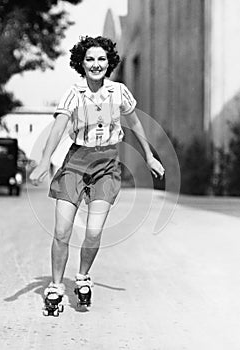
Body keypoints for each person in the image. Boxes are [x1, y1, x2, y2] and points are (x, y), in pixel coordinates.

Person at [30, 36, 165, 305]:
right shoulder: (74, 94)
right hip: (76, 162)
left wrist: (149, 156)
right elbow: (58, 128)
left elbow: (136, 125)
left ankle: (82, 277)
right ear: (81, 63)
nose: (96, 64)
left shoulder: (119, 92)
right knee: (62, 231)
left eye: (101, 59)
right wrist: (45, 161)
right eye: (90, 59)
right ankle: (56, 285)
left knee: (93, 232)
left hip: (107, 165)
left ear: (109, 62)